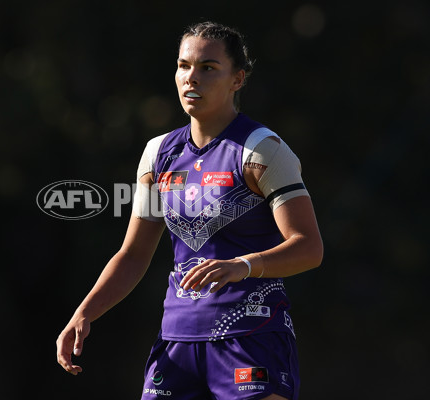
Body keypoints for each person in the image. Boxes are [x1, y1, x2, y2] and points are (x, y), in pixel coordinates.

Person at [56, 21, 323, 400]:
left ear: (238, 79)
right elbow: (132, 255)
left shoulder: (261, 151)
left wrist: (241, 266)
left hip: (251, 338)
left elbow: (309, 247)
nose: (191, 78)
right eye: (184, 66)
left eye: (208, 68)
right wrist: (84, 312)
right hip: (177, 342)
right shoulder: (158, 155)